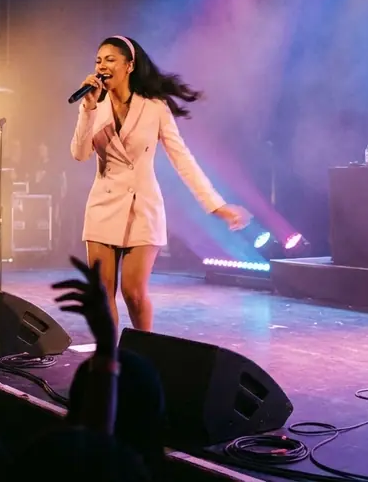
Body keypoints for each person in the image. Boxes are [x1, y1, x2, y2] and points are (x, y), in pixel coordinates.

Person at [70, 35, 251, 331]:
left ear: (129, 65)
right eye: (98, 60)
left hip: (143, 207)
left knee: (134, 293)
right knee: (102, 296)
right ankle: (111, 363)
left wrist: (216, 205)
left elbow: (183, 159)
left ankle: (145, 356)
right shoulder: (95, 106)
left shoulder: (154, 107)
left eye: (110, 59)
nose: (102, 65)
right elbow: (79, 154)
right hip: (102, 205)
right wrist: (87, 109)